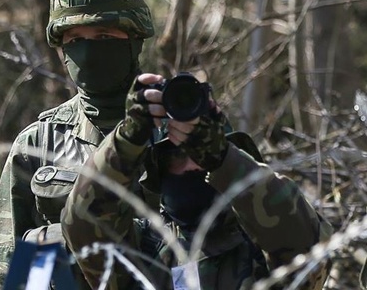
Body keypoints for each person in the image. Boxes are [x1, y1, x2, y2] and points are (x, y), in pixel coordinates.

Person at [61, 71, 334, 289]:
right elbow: (83, 225)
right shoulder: (144, 251)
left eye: (200, 157)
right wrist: (126, 142)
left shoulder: (257, 251)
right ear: (160, 172)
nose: (192, 166)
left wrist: (222, 159)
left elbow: (305, 244)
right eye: (176, 158)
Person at [0, 0, 155, 289]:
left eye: (103, 36)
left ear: (135, 38)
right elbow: (3, 268)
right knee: (43, 243)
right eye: (75, 39)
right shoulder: (38, 143)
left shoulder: (184, 129)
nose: (88, 51)